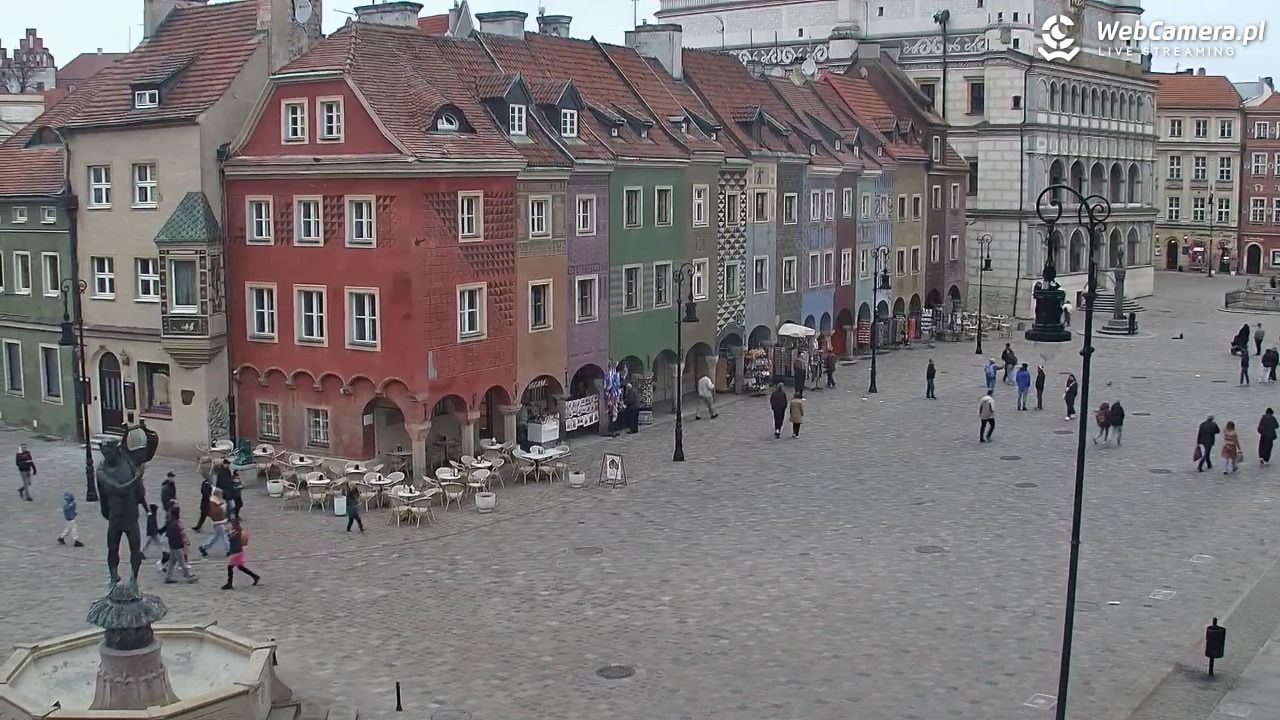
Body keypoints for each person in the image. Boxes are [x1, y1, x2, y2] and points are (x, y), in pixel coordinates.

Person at [222, 517, 261, 590]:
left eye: (233, 524)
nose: (232, 525)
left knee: (230, 567)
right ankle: (255, 577)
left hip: (236, 552)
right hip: (238, 552)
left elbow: (232, 538)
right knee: (240, 567)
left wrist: (229, 534)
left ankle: (229, 584)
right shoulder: (236, 531)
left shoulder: (238, 532)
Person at [163, 504, 197, 584]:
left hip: (172, 545)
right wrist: (181, 544)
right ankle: (187, 576)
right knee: (182, 561)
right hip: (176, 546)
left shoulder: (170, 521)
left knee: (172, 561)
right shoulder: (175, 524)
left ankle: (168, 576)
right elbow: (177, 536)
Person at [198, 488, 229, 557]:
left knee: (216, 536)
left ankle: (204, 547)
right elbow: (216, 512)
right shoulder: (213, 503)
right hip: (218, 521)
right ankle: (228, 550)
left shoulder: (214, 501)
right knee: (224, 536)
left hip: (218, 521)